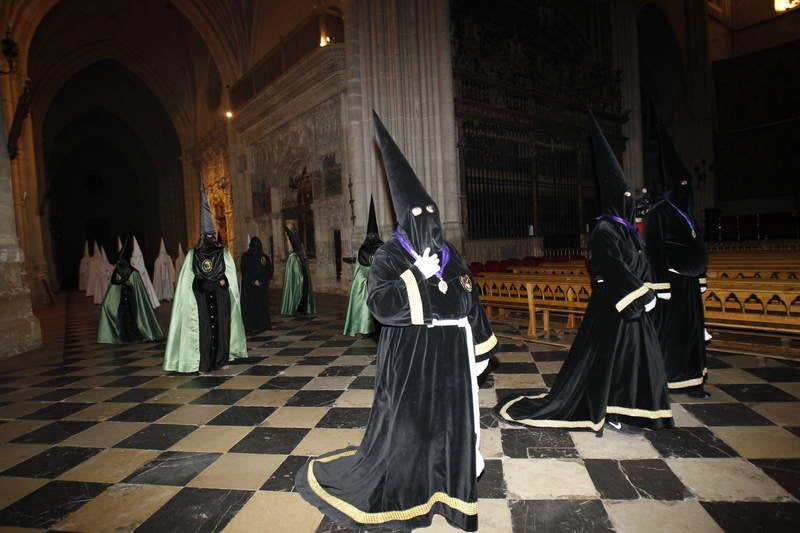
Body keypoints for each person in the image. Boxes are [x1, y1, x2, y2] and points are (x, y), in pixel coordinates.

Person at [295, 112, 498, 532]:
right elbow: (382, 305)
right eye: (420, 216)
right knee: (410, 430)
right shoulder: (390, 256)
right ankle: (406, 495)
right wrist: (416, 276)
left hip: (453, 360)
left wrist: (479, 346)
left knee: (448, 429)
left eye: (433, 216)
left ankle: (448, 495)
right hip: (410, 360)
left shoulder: (450, 251)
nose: (429, 224)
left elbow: (469, 294)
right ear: (406, 219)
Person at [494, 112, 673, 435]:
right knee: (613, 363)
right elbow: (611, 268)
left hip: (631, 308)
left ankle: (632, 410)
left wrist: (651, 287)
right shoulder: (605, 228)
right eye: (629, 199)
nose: (634, 203)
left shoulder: (629, 231)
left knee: (638, 363)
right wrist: (640, 296)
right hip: (616, 308)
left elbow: (640, 263)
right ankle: (612, 411)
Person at [645, 125, 710, 398]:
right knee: (671, 338)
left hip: (690, 287)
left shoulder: (688, 213)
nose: (685, 188)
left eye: (688, 183)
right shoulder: (659, 213)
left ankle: (694, 381)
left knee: (692, 337)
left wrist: (701, 280)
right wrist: (661, 288)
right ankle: (668, 382)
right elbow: (654, 250)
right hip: (671, 286)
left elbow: (697, 246)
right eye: (680, 184)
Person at [163, 184, 247, 373]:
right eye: (207, 234)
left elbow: (229, 278)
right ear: (202, 235)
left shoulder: (223, 252)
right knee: (205, 332)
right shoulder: (193, 254)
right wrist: (207, 284)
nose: (209, 237)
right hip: (201, 299)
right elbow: (188, 280)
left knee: (222, 329)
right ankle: (205, 363)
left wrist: (222, 284)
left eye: (211, 234)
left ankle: (222, 360)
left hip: (220, 298)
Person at [97, 237, 163, 343]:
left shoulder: (133, 273)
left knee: (133, 318)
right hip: (121, 302)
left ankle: (137, 335)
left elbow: (139, 293)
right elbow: (112, 289)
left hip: (133, 301)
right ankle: (124, 336)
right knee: (122, 318)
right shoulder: (117, 273)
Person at [342, 196, 383, 336]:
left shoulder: (364, 248)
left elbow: (361, 269)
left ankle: (366, 326)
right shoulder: (382, 247)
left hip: (370, 284)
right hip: (376, 283)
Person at [279, 226, 316, 315]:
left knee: (305, 289)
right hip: (300, 275)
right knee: (301, 289)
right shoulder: (293, 257)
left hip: (303, 272)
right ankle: (299, 307)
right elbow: (295, 274)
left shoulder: (300, 250)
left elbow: (304, 260)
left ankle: (303, 307)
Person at [239, 236, 273, 333]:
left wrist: (261, 280)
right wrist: (255, 280)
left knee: (260, 305)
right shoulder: (246, 256)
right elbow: (245, 269)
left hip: (259, 286)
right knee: (252, 306)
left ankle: (260, 324)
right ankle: (252, 325)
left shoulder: (263, 257)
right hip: (250, 286)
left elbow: (268, 270)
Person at [131, 236, 160, 309]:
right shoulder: (132, 260)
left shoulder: (140, 258)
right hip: (138, 277)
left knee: (146, 291)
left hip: (144, 276)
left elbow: (142, 267)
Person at [152, 237, 176, 302]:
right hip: (160, 276)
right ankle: (160, 296)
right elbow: (156, 270)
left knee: (167, 286)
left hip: (167, 277)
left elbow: (171, 266)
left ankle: (168, 296)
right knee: (161, 286)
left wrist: (172, 275)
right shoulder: (158, 260)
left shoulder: (168, 258)